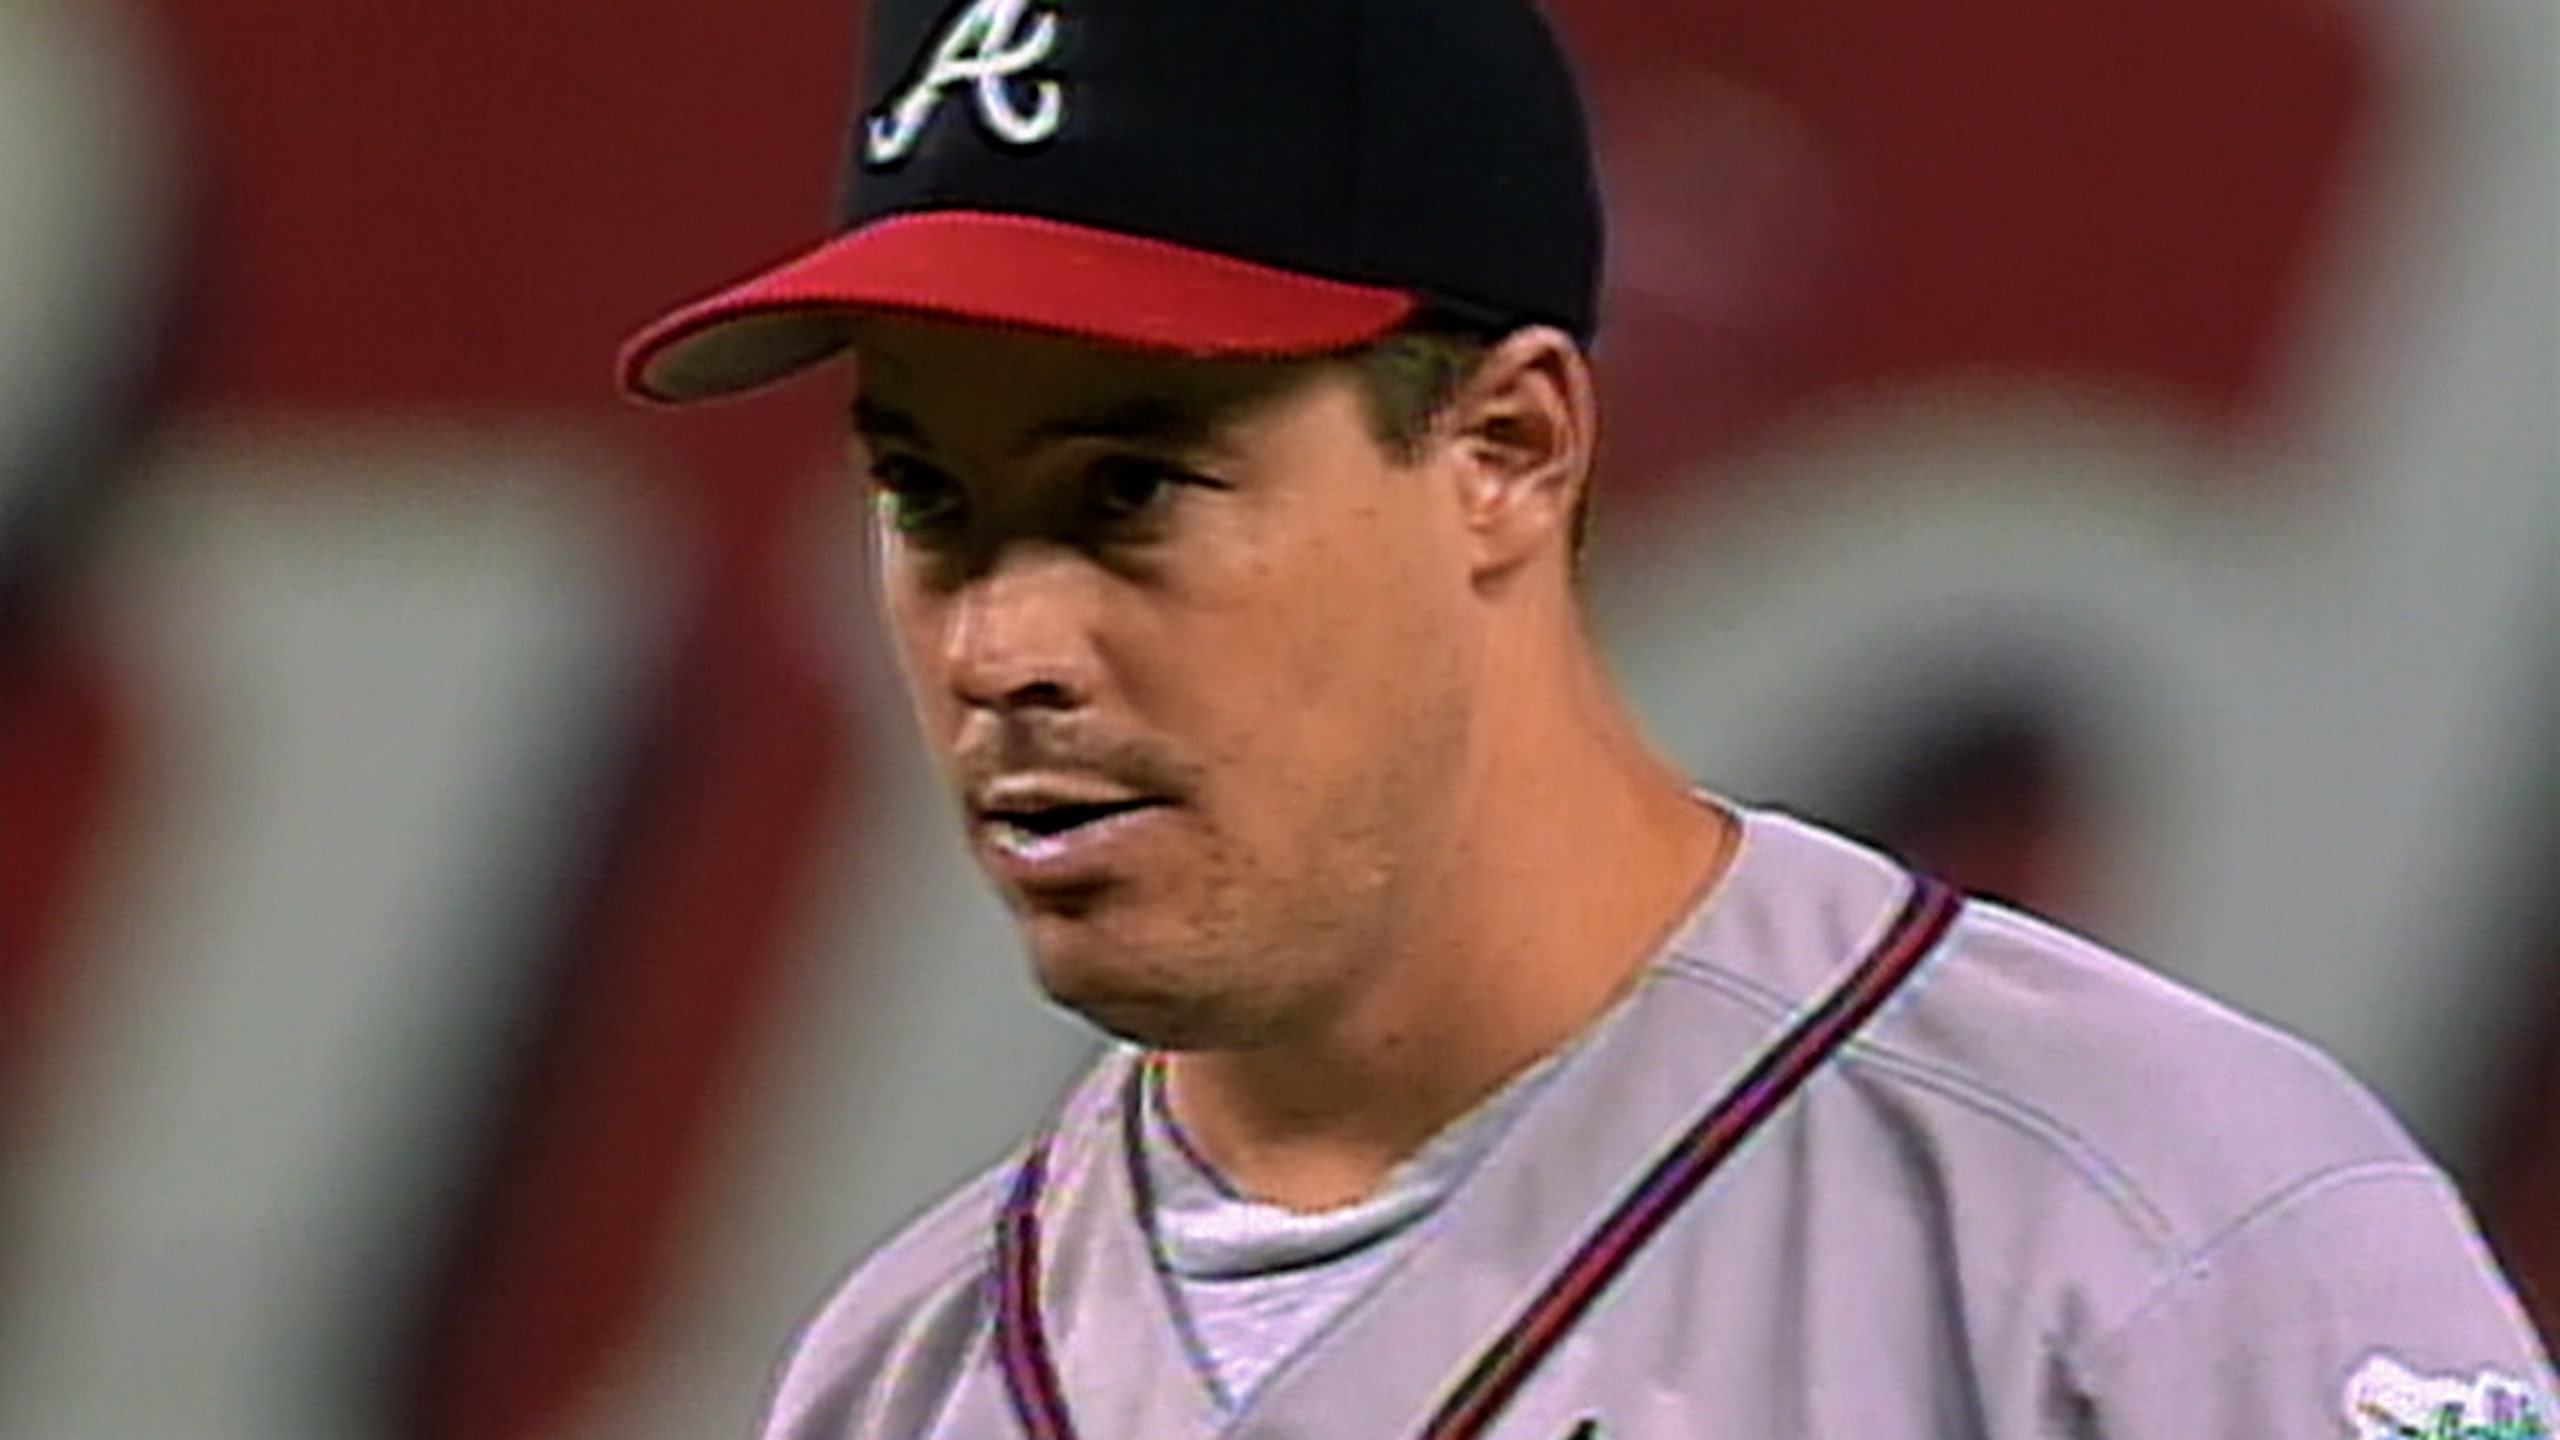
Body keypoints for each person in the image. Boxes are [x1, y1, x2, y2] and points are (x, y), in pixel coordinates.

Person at [618, 0, 2558, 1435]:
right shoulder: (909, 1370)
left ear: (1506, 450)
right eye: (926, 499)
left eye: (1131, 489)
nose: (1002, 643)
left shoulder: (2148, 1212)